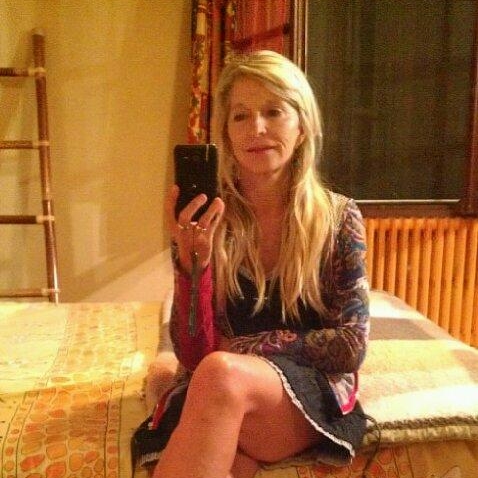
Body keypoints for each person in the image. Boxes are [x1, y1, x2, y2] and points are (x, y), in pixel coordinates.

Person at [132, 50, 370, 478]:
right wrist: (192, 267)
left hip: (304, 392)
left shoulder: (338, 218)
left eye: (273, 112)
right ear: (226, 132)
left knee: (219, 376)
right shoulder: (209, 216)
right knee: (208, 392)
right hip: (222, 391)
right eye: (240, 115)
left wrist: (243, 348)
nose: (256, 128)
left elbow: (351, 345)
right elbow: (194, 354)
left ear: (301, 126)